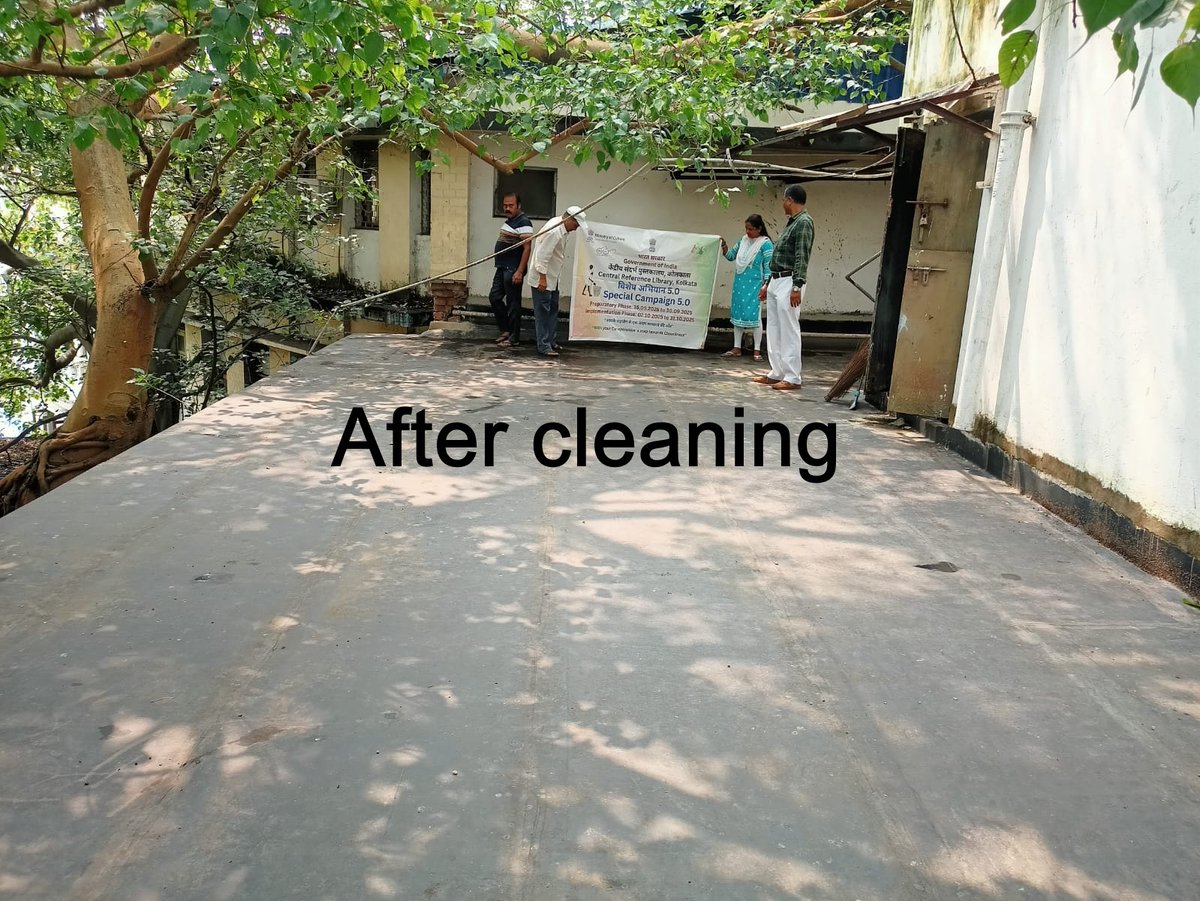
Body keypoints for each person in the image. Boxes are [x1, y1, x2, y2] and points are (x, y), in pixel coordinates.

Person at [753, 184, 814, 391]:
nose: (782, 203)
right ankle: (777, 372)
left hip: (790, 280)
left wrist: (797, 286)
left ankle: (792, 376)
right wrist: (768, 283)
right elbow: (780, 257)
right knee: (774, 327)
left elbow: (801, 255)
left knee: (788, 329)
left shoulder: (804, 222)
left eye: (784, 200)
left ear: (790, 200)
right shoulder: (792, 222)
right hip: (777, 279)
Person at [530, 204, 586, 358]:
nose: (576, 229)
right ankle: (544, 345)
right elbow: (542, 255)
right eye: (576, 225)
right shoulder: (554, 231)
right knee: (543, 312)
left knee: (552, 309)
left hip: (552, 277)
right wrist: (542, 278)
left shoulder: (562, 228)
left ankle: (551, 341)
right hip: (543, 278)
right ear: (569, 219)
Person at [719, 214, 773, 361]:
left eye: (751, 229)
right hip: (740, 283)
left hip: (756, 285)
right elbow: (731, 256)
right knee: (738, 314)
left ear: (759, 229)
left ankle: (757, 350)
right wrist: (723, 245)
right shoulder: (743, 241)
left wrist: (766, 285)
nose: (747, 232)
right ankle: (736, 348)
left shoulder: (766, 244)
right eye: (746, 229)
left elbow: (768, 267)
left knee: (755, 316)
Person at [489, 192, 533, 348]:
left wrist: (519, 271)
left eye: (511, 205)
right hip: (502, 267)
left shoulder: (523, 221)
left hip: (513, 268)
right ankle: (506, 329)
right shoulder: (511, 220)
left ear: (518, 206)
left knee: (513, 303)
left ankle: (514, 337)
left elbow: (527, 248)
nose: (507, 208)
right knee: (494, 297)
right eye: (505, 205)